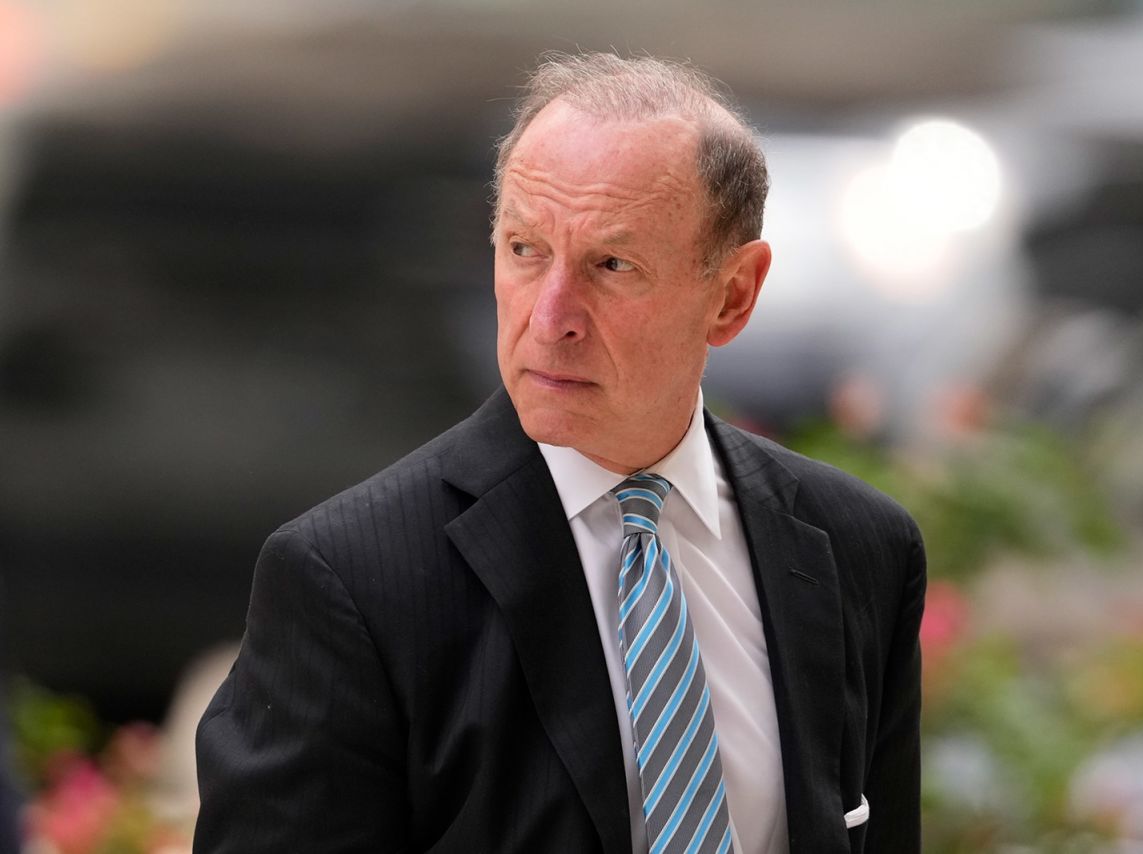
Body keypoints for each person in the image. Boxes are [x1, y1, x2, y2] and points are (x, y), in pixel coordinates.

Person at [194, 52, 925, 854]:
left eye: (611, 265)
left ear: (734, 294)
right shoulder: (351, 581)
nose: (550, 317)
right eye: (524, 249)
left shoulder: (860, 550)